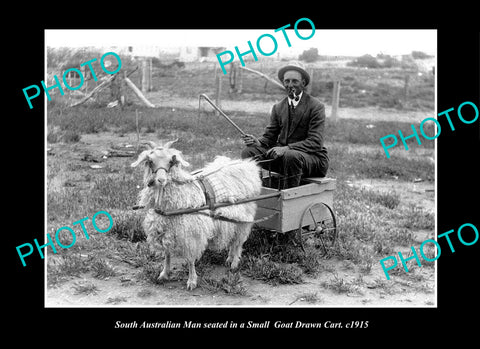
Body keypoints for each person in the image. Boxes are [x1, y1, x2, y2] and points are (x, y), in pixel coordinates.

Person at [241, 61, 329, 189]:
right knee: (249, 152)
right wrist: (258, 142)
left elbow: (316, 142)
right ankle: (257, 191)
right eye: (287, 81)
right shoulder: (278, 107)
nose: (290, 85)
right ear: (283, 83)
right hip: (285, 159)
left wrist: (286, 148)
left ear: (303, 83)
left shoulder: (316, 106)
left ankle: (288, 197)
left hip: (312, 160)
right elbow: (270, 137)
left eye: (295, 81)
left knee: (290, 156)